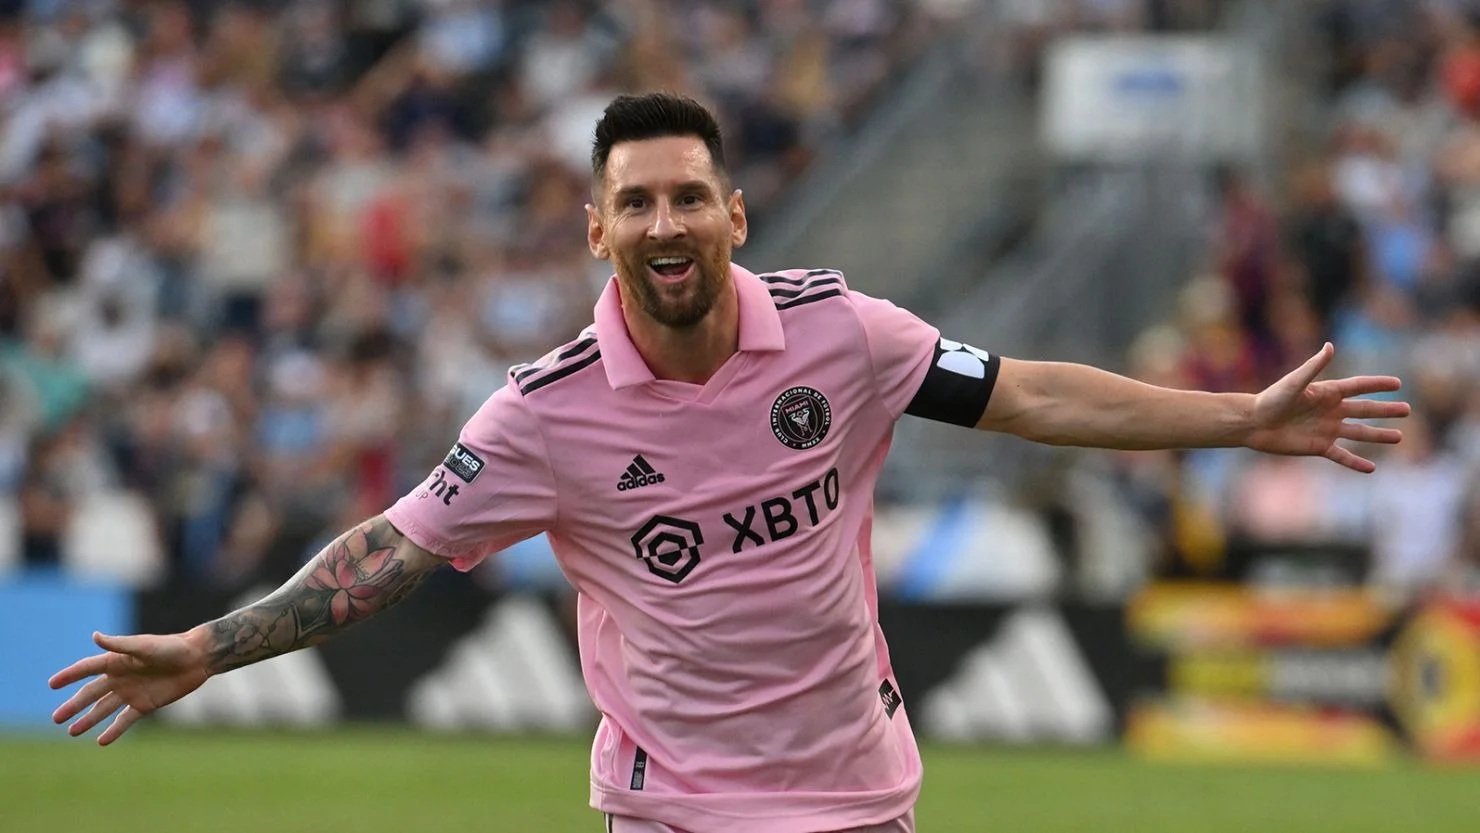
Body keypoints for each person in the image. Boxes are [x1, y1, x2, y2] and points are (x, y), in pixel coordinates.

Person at [49, 92, 1411, 833]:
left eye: (688, 195)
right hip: (671, 809)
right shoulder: (542, 415)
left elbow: (1030, 393)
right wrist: (208, 649)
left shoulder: (845, 335)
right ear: (598, 231)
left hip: (859, 792)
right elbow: (387, 555)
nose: (665, 221)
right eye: (636, 201)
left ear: (734, 214)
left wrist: (1240, 419)